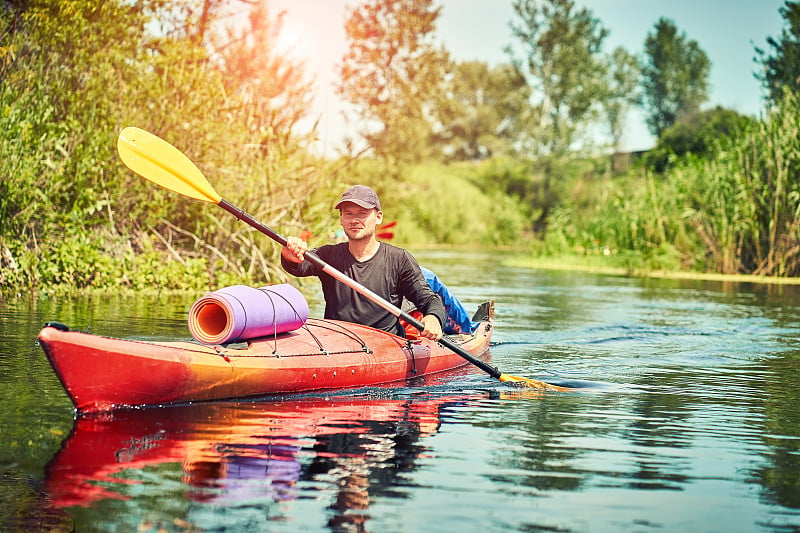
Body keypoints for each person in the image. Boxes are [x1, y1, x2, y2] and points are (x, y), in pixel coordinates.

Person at [281, 185, 445, 341]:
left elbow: (429, 300)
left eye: (362, 213)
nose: (354, 220)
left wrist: (433, 318)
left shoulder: (399, 259)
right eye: (349, 214)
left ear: (378, 217)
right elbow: (298, 267)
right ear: (341, 220)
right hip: (336, 341)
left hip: (385, 343)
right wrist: (289, 255)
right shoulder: (327, 255)